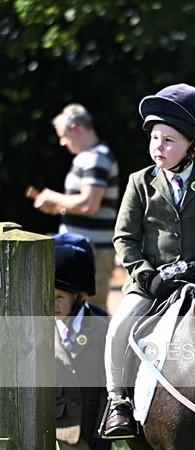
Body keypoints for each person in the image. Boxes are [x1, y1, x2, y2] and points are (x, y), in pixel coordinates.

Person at [100, 83, 195, 439]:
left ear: (194, 145)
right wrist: (146, 275)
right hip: (150, 282)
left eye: (168, 140)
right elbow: (124, 238)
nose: (158, 148)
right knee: (118, 327)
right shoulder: (140, 182)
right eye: (154, 138)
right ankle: (118, 402)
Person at [54, 234, 119, 450]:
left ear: (80, 296)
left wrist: (105, 431)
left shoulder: (102, 325)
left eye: (60, 297)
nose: (53, 304)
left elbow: (113, 381)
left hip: (98, 422)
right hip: (64, 425)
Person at [32, 104, 120, 311]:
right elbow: (82, 207)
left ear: (75, 128)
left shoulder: (98, 156)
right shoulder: (87, 157)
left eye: (63, 135)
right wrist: (59, 210)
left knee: (90, 313)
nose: (62, 142)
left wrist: (51, 196)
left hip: (93, 250)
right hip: (84, 247)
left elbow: (89, 204)